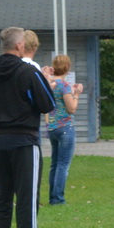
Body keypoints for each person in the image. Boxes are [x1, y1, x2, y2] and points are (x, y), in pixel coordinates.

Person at [0, 27, 55, 228]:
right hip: (24, 138)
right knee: (27, 192)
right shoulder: (27, 72)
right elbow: (47, 104)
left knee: (1, 192)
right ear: (20, 45)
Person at [43, 55, 82, 206]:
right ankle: (58, 199)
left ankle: (52, 197)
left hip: (52, 127)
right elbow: (71, 108)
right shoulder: (64, 85)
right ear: (68, 68)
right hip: (65, 127)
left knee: (54, 164)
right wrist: (76, 95)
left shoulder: (49, 84)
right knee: (63, 165)